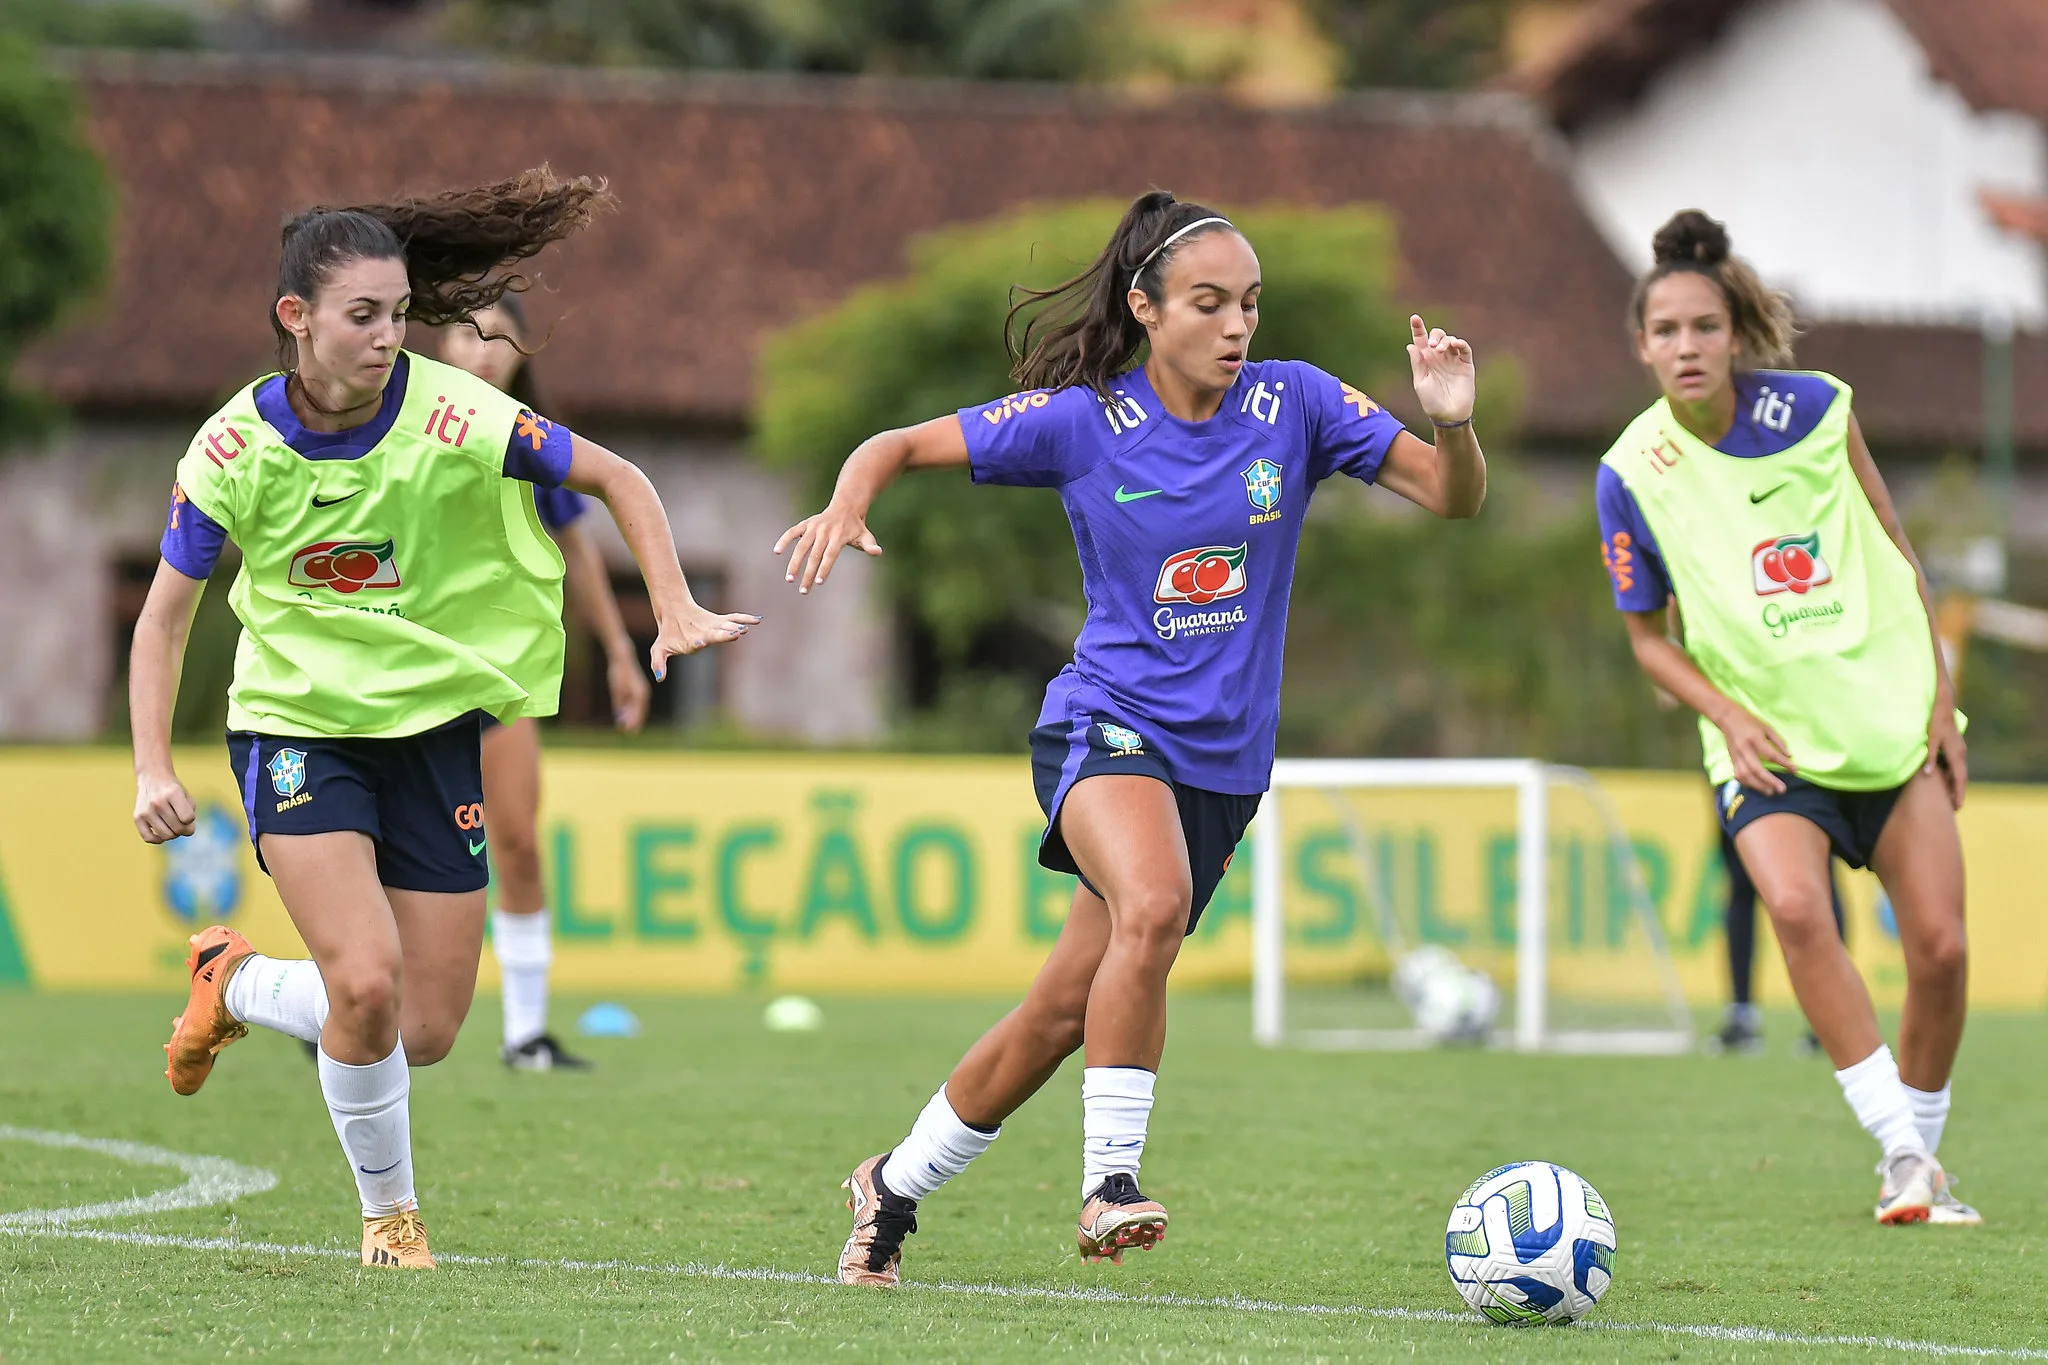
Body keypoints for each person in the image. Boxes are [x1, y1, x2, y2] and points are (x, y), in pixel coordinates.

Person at [777, 190, 1487, 1285]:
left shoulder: (1295, 406)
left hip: (1220, 769)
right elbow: (895, 443)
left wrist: (1450, 417)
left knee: (1062, 1011)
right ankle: (1108, 1182)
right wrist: (844, 501)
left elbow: (1452, 498)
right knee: (1148, 907)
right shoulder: (1080, 420)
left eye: (1248, 302)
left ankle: (893, 1188)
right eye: (1208, 303)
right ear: (1145, 308)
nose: (1235, 324)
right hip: (1101, 726)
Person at [131, 169, 756, 1269]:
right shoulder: (233, 450)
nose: (389, 338)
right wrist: (149, 765)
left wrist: (670, 605)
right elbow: (163, 621)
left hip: (433, 733)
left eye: (398, 314)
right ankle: (391, 1218)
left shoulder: (456, 411)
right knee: (364, 983)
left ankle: (235, 979)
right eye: (362, 316)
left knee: (420, 1030)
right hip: (299, 731)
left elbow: (615, 475)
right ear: (298, 319)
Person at [1596, 209, 1975, 1225]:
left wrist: (1940, 703)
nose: (1685, 347)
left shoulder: (1815, 410)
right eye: (1665, 331)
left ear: (1735, 334)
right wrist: (1728, 713)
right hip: (1763, 742)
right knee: (1797, 911)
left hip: (1885, 721)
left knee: (1939, 950)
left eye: (1702, 328)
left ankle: (1916, 1165)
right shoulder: (1629, 474)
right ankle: (1897, 1149)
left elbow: (1898, 552)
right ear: (1640, 347)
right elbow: (1647, 640)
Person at [440, 295, 653, 1071]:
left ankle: (525, 1034)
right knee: (377, 850)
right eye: (468, 331)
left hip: (495, 683)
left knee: (520, 842)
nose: (485, 349)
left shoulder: (536, 447)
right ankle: (330, 998)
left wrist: (622, 652)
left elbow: (579, 549)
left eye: (502, 335)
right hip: (399, 684)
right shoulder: (398, 429)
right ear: (436, 341)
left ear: (527, 351)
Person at [1712, 827, 1845, 1055]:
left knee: (1820, 881)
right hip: (1748, 795)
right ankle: (1741, 1014)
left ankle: (1831, 1018)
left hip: (1814, 794)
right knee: (1742, 884)